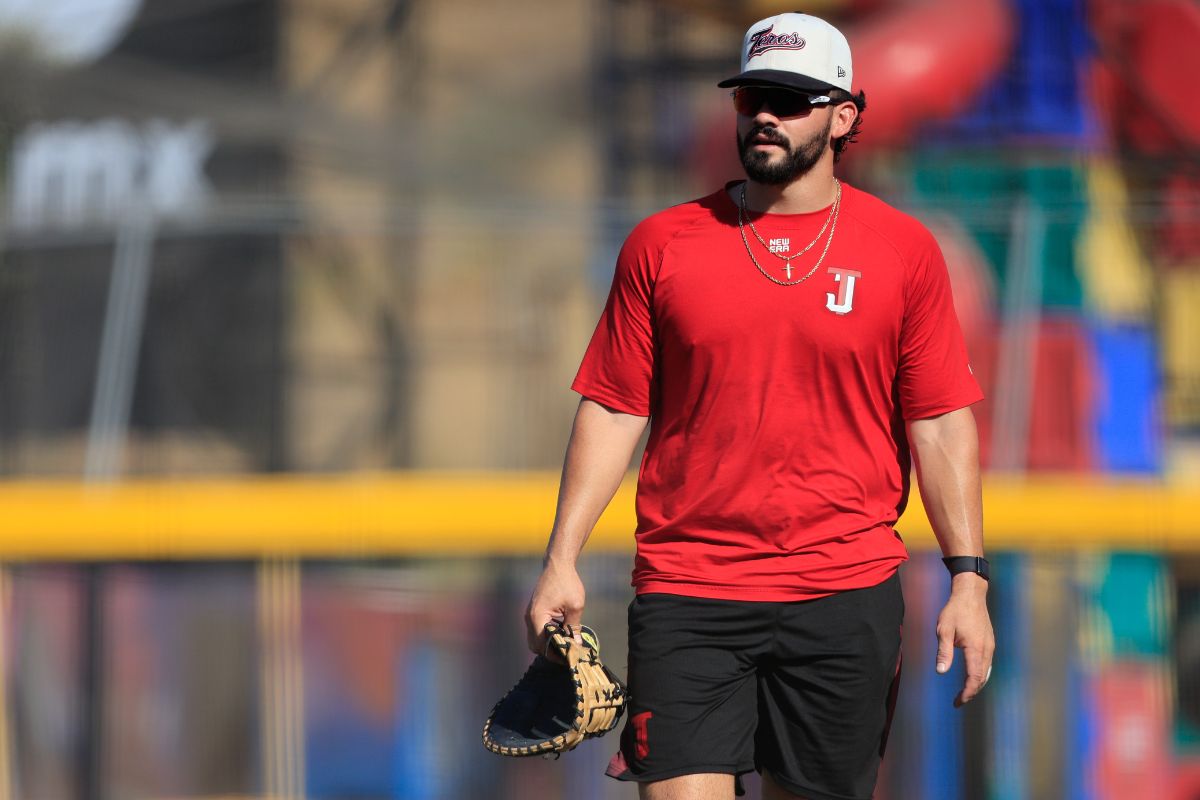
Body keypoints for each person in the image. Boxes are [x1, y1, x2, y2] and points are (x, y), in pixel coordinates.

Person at [524, 11, 995, 800]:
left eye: (791, 98)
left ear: (845, 115)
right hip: (690, 590)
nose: (766, 115)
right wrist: (561, 559)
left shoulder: (904, 253)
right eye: (752, 99)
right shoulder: (663, 245)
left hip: (843, 594)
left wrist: (969, 581)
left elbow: (941, 420)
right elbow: (613, 407)